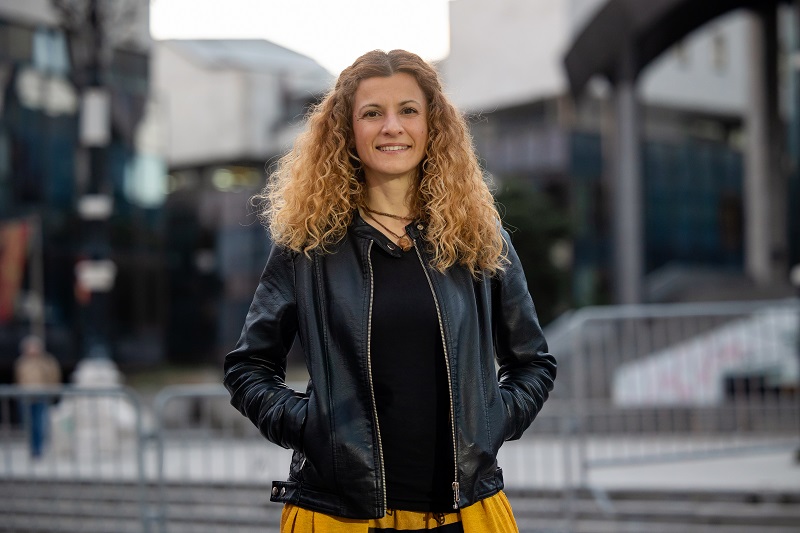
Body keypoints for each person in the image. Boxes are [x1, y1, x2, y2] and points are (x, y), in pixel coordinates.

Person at [223, 49, 557, 532]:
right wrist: (310, 427)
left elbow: (533, 363)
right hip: (338, 515)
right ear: (347, 130)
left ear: (432, 125)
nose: (392, 127)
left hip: (466, 513)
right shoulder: (308, 246)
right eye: (372, 113)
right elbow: (248, 367)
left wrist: (492, 421)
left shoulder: (480, 240)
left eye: (408, 110)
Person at [14, 335, 62, 458]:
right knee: (29, 424)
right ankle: (33, 448)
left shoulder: (46, 361)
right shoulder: (22, 362)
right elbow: (19, 378)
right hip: (26, 396)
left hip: (41, 395)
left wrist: (52, 390)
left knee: (39, 423)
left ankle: (38, 449)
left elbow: (53, 376)